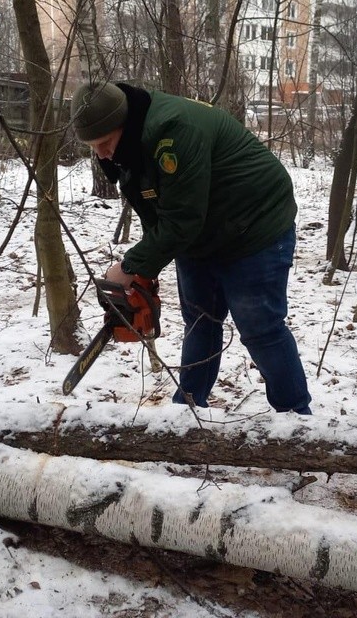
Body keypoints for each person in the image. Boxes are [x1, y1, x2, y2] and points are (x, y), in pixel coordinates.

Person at [70, 81, 312, 415]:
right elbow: (159, 213)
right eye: (92, 146)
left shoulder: (174, 131)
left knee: (260, 329)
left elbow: (182, 220)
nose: (100, 153)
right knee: (200, 322)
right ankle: (186, 412)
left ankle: (298, 422)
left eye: (105, 143)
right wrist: (143, 269)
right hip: (202, 230)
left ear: (123, 123)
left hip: (255, 226)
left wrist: (129, 266)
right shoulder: (129, 149)